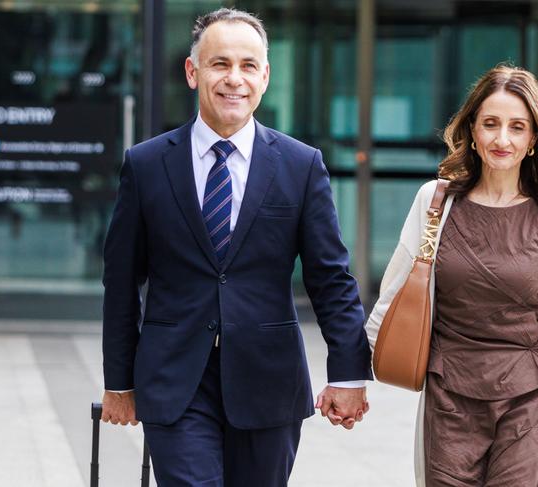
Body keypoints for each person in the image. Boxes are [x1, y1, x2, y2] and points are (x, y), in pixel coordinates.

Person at [100, 8, 372, 487]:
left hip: (269, 383)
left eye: (248, 66)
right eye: (219, 63)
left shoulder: (300, 165)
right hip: (175, 380)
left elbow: (331, 277)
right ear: (193, 72)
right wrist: (119, 381)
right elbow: (121, 282)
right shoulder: (144, 166)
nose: (234, 79)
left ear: (265, 77)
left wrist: (348, 374)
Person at [365, 65, 538, 487]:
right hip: (450, 398)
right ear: (472, 130)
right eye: (490, 124)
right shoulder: (435, 203)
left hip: (530, 399)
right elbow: (393, 298)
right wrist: (352, 377)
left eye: (516, 127)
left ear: (532, 140)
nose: (501, 139)